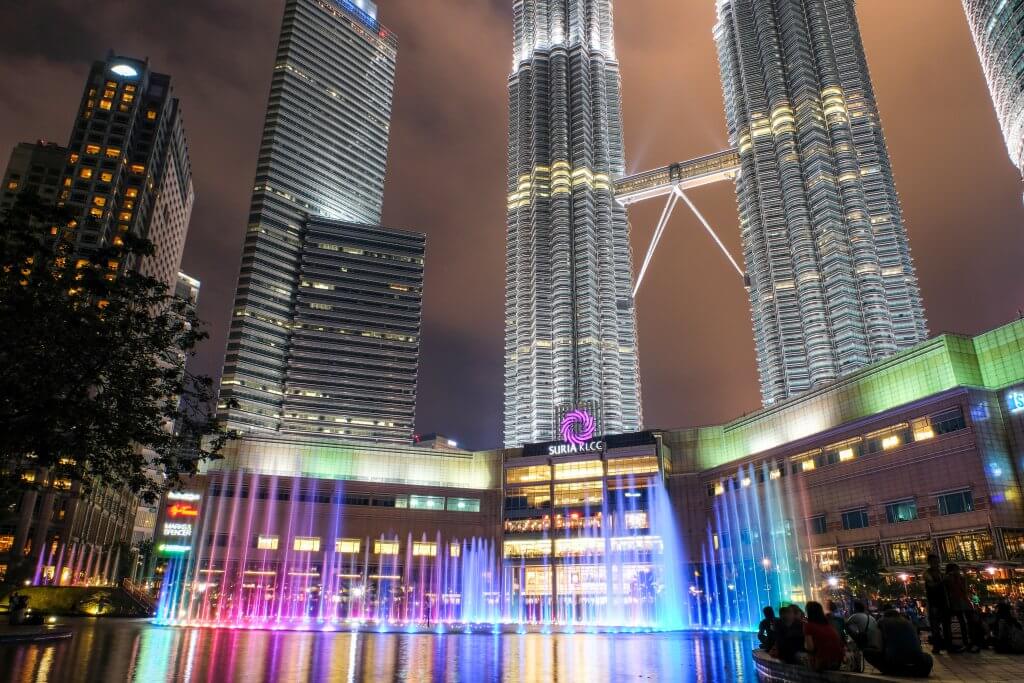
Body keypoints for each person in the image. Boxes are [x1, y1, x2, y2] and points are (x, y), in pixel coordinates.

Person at [861, 608, 934, 677]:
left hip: (894, 660)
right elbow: (918, 644)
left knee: (867, 652)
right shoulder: (908, 622)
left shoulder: (882, 621)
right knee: (928, 657)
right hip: (915, 659)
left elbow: (878, 645)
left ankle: (891, 670)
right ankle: (909, 671)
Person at [804, 602, 845, 672]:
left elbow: (810, 647)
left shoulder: (808, 626)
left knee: (802, 658)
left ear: (808, 612)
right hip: (838, 659)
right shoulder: (827, 624)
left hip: (823, 661)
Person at [944, 563, 976, 652]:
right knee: (962, 622)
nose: (957, 571)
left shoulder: (961, 578)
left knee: (969, 622)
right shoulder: (948, 579)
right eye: (955, 570)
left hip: (963, 601)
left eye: (957, 569)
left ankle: (971, 642)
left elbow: (964, 590)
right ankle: (966, 642)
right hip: (956, 602)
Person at [924, 553, 949, 652]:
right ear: (929, 563)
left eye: (937, 561)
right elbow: (932, 586)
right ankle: (937, 646)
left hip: (943, 601)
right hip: (934, 602)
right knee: (935, 626)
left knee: (946, 625)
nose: (936, 563)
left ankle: (948, 645)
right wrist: (943, 581)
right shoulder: (927, 573)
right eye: (934, 561)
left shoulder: (941, 573)